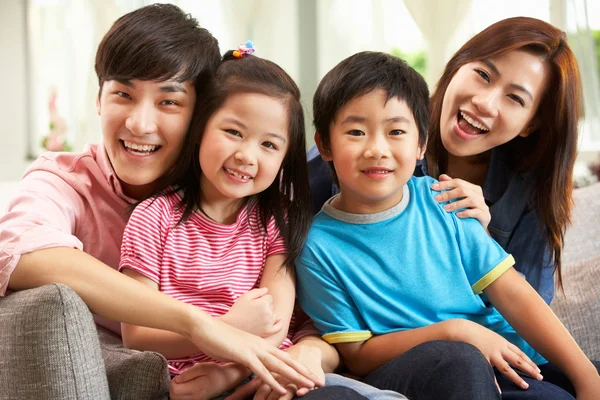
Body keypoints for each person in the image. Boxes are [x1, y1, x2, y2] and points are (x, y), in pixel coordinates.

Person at [0, 5, 320, 395]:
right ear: (99, 99)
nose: (140, 124)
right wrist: (203, 325)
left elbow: (290, 317)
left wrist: (304, 352)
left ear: (200, 115)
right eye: (123, 94)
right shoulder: (70, 180)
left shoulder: (255, 199)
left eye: (168, 102)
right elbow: (18, 250)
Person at [296, 51, 600, 399]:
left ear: (421, 145)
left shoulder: (444, 199)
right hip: (428, 367)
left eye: (396, 131)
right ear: (324, 145)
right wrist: (453, 331)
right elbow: (358, 355)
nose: (377, 149)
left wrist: (585, 374)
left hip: (512, 359)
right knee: (466, 363)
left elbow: (513, 293)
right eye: (356, 131)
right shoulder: (315, 247)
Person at [119, 43, 403, 400]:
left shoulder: (276, 218)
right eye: (233, 132)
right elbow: (137, 334)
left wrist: (231, 370)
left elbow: (275, 323)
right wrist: (220, 329)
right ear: (201, 127)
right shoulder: (153, 218)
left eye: (269, 145)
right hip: (192, 385)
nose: (246, 155)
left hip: (270, 370)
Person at [307, 16, 583, 305]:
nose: (484, 102)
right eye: (483, 75)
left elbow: (527, 318)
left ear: (530, 124)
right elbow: (272, 232)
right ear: (458, 64)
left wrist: (482, 242)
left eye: (515, 98)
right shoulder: (366, 139)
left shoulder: (530, 192)